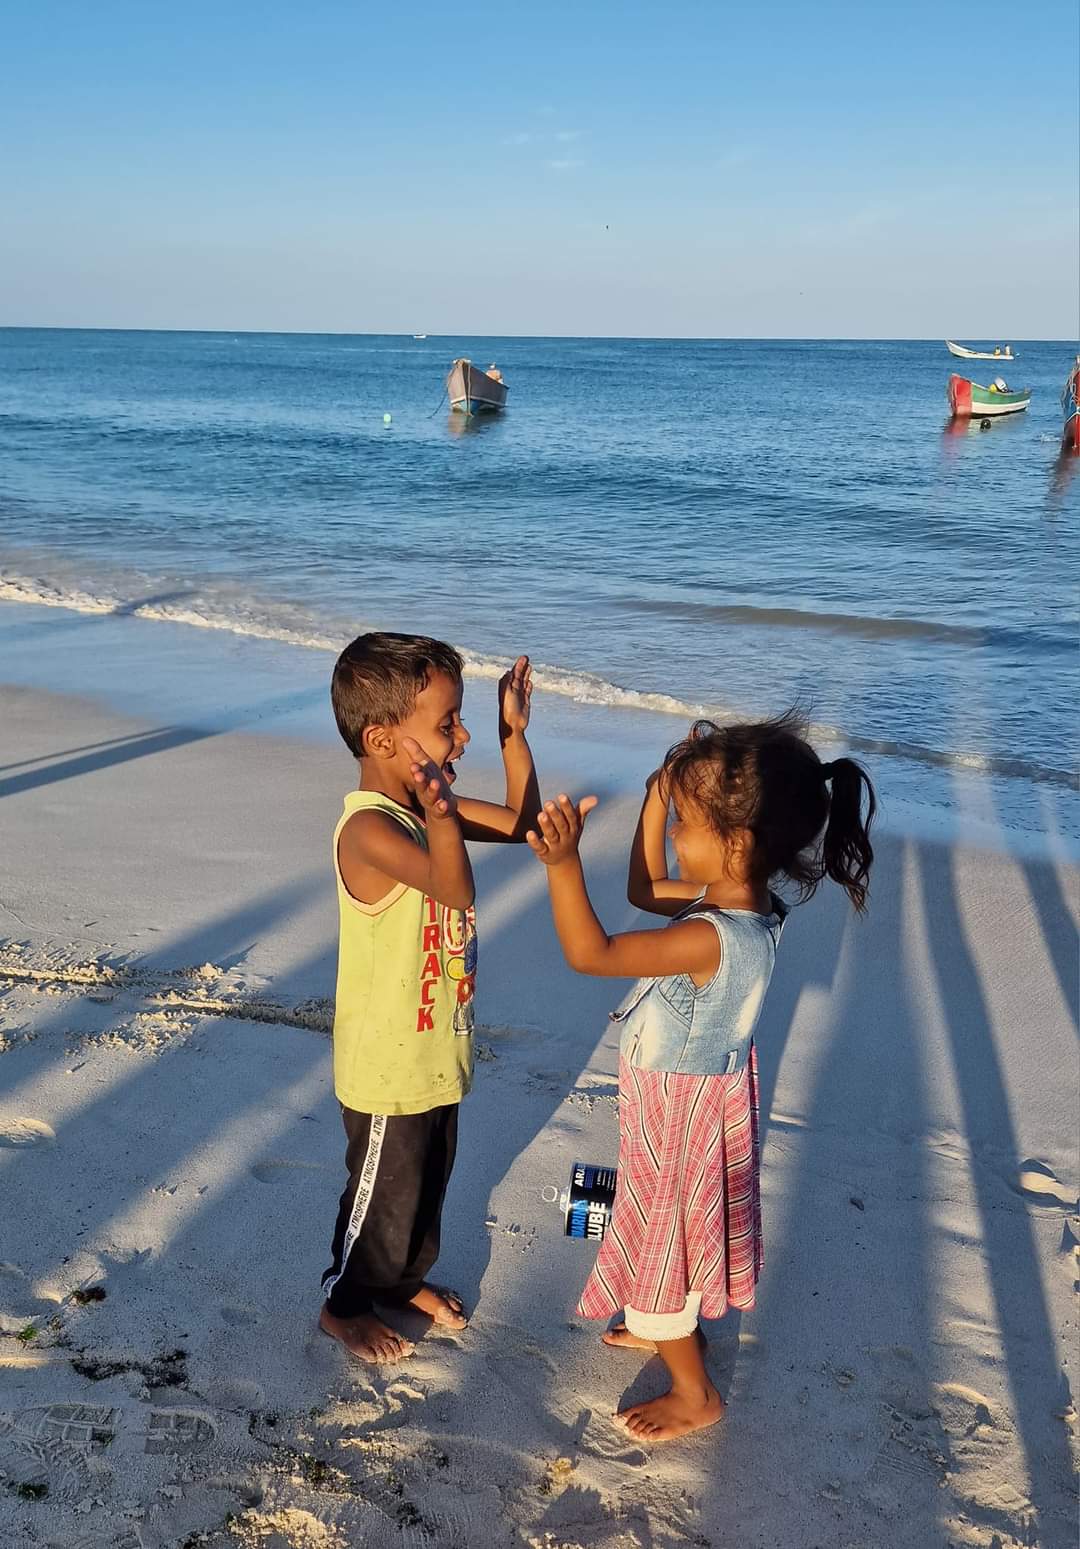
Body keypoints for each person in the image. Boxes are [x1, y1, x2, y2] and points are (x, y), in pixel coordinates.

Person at [527, 712, 876, 1441]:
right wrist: (659, 794)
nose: (675, 833)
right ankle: (671, 1322)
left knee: (661, 1240)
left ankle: (694, 1389)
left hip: (678, 1113)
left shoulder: (707, 935)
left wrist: (561, 864)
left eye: (684, 821)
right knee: (673, 1228)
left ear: (737, 842)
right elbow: (645, 882)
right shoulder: (742, 908)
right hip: (692, 1102)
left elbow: (590, 952)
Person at [320, 632, 540, 1364]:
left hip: (433, 1046)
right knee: (381, 1200)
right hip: (386, 1062)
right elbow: (455, 884)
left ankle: (401, 1280)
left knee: (425, 1190)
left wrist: (515, 738)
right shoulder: (369, 828)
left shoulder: (424, 804)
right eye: (448, 723)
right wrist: (445, 814)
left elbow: (523, 824)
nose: (463, 734)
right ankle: (344, 1304)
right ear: (383, 739)